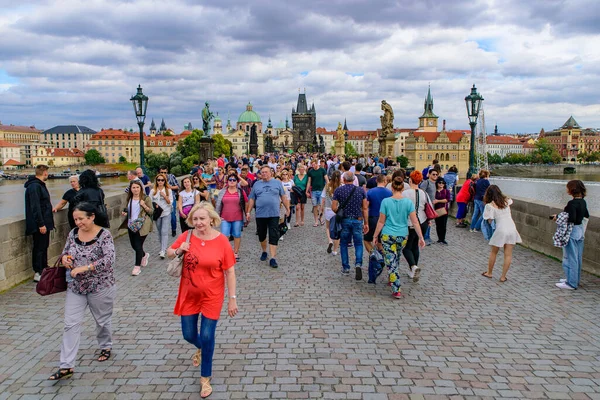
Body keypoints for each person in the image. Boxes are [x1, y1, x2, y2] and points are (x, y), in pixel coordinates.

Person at [167, 202, 238, 398]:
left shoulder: (222, 241)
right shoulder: (187, 236)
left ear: (212, 220)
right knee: (188, 334)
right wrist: (179, 249)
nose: (198, 223)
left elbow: (230, 271)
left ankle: (205, 377)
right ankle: (199, 347)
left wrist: (232, 299)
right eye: (195, 219)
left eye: (202, 219)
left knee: (208, 336)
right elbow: (169, 253)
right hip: (189, 295)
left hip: (212, 296)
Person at [47, 202, 116, 381]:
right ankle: (66, 366)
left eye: (81, 219)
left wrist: (85, 268)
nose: (78, 222)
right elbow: (65, 252)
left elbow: (109, 260)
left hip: (100, 286)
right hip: (76, 287)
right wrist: (66, 259)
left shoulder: (104, 235)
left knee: (102, 321)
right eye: (75, 219)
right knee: (70, 324)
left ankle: (105, 345)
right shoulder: (72, 234)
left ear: (92, 217)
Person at [372, 176, 425, 299]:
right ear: (402, 188)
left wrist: (375, 235)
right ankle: (393, 276)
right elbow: (415, 222)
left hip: (388, 234)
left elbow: (381, 221)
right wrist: (421, 237)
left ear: (392, 187)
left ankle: (396, 287)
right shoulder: (408, 203)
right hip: (402, 235)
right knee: (396, 257)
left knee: (391, 260)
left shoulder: (386, 202)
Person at [246, 166, 290, 268]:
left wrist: (287, 209)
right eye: (262, 172)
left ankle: (273, 258)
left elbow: (283, 196)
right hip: (260, 214)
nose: (264, 174)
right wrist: (248, 212)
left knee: (273, 235)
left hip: (274, 214)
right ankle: (264, 251)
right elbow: (252, 199)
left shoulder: (277, 183)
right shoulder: (256, 184)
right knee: (262, 235)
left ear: (271, 173)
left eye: (266, 172)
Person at [332, 172, 368, 280]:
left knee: (343, 244)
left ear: (343, 179)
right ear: (354, 179)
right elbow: (365, 208)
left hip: (345, 220)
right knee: (358, 243)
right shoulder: (361, 190)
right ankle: (358, 264)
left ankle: (346, 267)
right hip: (358, 219)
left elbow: (334, 207)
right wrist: (366, 223)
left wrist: (339, 212)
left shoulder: (339, 190)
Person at [481, 185, 522, 283]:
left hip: (501, 229)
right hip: (512, 228)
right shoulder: (506, 201)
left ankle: (489, 272)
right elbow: (510, 200)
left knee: (494, 252)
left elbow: (489, 219)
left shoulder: (490, 206)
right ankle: (503, 277)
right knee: (508, 254)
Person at [554, 180, 589, 290]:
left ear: (571, 190)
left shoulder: (572, 203)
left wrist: (558, 217)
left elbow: (572, 218)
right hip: (580, 231)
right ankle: (574, 279)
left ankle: (571, 283)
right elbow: (586, 215)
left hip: (572, 231)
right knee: (577, 257)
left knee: (570, 257)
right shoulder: (583, 202)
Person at [24, 164, 54, 282]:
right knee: (39, 247)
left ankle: (44, 269)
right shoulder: (35, 187)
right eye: (47, 172)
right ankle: (38, 271)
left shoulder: (39, 185)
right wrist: (41, 224)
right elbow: (35, 207)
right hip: (39, 225)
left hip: (44, 223)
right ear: (44, 173)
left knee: (44, 246)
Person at [120, 180, 153, 276]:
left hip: (142, 225)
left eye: (137, 187)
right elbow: (127, 208)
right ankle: (144, 255)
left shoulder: (145, 198)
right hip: (131, 225)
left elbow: (151, 211)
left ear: (141, 188)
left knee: (138, 246)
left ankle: (136, 267)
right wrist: (125, 212)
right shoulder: (129, 198)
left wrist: (144, 205)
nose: (136, 189)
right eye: (133, 187)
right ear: (131, 189)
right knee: (133, 245)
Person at [402, 170, 429, 282]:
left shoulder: (406, 193)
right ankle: (413, 269)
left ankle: (413, 266)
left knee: (406, 248)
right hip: (423, 222)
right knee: (415, 246)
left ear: (410, 180)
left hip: (410, 223)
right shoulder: (424, 193)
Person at [215, 173, 248, 261]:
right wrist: (216, 215)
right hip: (224, 217)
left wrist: (247, 213)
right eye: (230, 180)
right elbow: (218, 204)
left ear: (237, 182)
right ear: (227, 181)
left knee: (237, 234)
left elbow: (246, 202)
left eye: (234, 180)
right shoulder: (222, 191)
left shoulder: (240, 191)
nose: (232, 181)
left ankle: (236, 252)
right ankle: (227, 252)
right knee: (225, 235)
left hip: (238, 217)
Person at [364, 174, 392, 253]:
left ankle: (373, 254)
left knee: (367, 240)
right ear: (385, 181)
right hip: (385, 219)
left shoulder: (370, 192)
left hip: (373, 217)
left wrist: (365, 220)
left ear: (376, 181)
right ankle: (382, 256)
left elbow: (366, 206)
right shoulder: (390, 193)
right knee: (381, 241)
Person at [151, 173, 174, 259]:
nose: (160, 182)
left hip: (166, 213)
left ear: (165, 181)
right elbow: (150, 202)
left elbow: (170, 202)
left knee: (164, 231)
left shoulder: (168, 190)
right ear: (156, 181)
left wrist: (164, 196)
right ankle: (162, 247)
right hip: (157, 214)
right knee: (160, 231)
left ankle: (163, 250)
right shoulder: (153, 191)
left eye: (162, 180)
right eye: (158, 180)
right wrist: (154, 205)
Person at [419, 168, 439, 245]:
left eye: (436, 174)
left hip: (432, 206)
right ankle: (425, 237)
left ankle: (428, 237)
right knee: (426, 221)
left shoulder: (435, 183)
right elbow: (421, 192)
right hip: (426, 205)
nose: (435, 176)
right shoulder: (426, 182)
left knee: (430, 221)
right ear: (429, 175)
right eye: (433, 174)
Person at [324, 170, 342, 256]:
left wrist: (320, 210)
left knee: (328, 227)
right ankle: (335, 250)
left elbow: (323, 198)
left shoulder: (327, 186)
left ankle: (330, 240)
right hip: (338, 209)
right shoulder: (341, 187)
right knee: (337, 229)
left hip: (328, 208)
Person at [306, 160, 329, 227]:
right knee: (315, 206)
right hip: (314, 190)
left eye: (314, 165)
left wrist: (328, 189)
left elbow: (327, 180)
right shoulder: (311, 172)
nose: (313, 166)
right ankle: (316, 221)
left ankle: (321, 218)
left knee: (321, 206)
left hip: (322, 190)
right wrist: (307, 190)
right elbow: (309, 182)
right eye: (312, 165)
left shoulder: (322, 170)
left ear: (317, 164)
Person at [159, 166, 179, 237]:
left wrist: (170, 187)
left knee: (172, 215)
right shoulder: (158, 179)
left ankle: (173, 229)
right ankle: (162, 231)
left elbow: (177, 186)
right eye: (162, 172)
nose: (163, 174)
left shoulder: (171, 177)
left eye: (165, 172)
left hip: (171, 198)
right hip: (161, 200)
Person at [433, 177, 451, 245]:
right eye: (440, 183)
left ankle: (443, 238)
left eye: (442, 183)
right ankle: (439, 238)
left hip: (444, 210)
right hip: (436, 210)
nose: (441, 184)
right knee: (438, 225)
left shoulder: (446, 191)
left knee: (443, 225)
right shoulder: (435, 191)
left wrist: (438, 201)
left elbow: (447, 200)